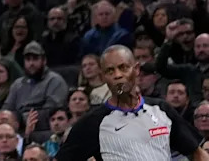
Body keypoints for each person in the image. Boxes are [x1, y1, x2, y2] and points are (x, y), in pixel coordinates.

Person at [58, 45, 208, 161]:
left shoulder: (161, 109)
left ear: (136, 69)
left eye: (123, 68)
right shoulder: (93, 122)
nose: (118, 75)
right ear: (103, 77)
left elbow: (197, 153)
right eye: (110, 71)